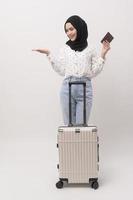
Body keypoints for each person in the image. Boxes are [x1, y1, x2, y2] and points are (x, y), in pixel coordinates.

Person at [32, 15, 110, 125]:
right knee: (68, 127)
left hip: (84, 88)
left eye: (71, 29)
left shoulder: (90, 49)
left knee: (80, 127)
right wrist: (49, 54)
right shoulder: (65, 48)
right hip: (67, 88)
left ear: (80, 27)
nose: (69, 33)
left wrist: (103, 54)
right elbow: (62, 70)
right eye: (66, 31)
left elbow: (94, 72)